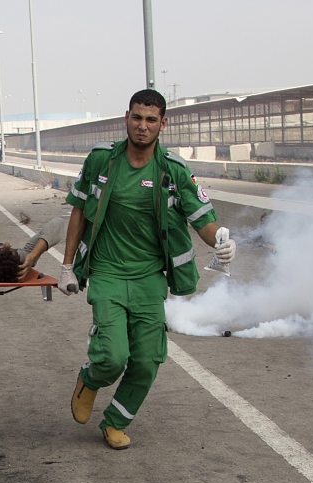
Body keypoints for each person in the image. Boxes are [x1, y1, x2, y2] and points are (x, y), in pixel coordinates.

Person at [59, 89, 236, 450]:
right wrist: (66, 266)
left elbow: (202, 218)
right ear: (126, 118)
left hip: (149, 278)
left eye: (151, 120)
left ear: (163, 124)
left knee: (148, 358)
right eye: (137, 118)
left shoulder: (172, 169)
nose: (142, 126)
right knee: (112, 357)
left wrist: (220, 238)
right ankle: (91, 380)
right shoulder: (101, 161)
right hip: (107, 272)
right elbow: (78, 209)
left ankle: (115, 422)